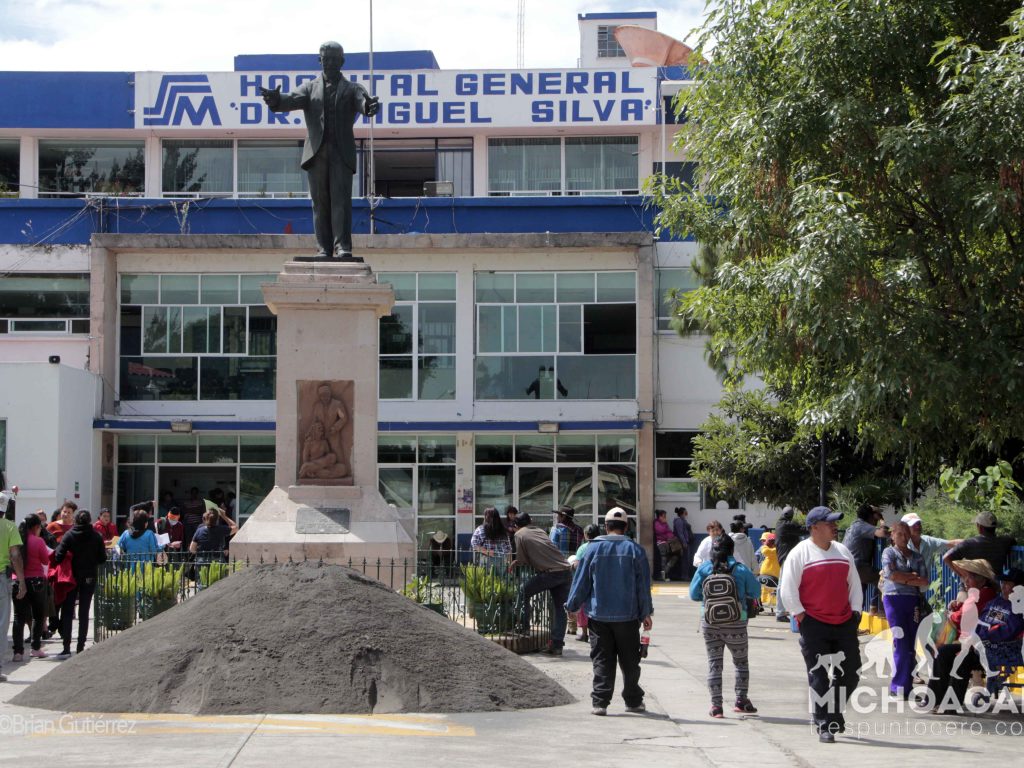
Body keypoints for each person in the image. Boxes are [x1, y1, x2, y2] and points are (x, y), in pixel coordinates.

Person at [260, 41, 381, 261]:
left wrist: (370, 107)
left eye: (335, 59)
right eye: (326, 58)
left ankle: (343, 246)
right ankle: (323, 248)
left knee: (341, 201)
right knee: (320, 202)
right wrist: (275, 99)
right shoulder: (309, 88)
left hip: (341, 153)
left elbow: (364, 102)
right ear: (320, 60)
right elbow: (289, 100)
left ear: (342, 61)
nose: (330, 63)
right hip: (316, 154)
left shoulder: (352, 88)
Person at [778, 506, 863, 743]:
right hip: (814, 623)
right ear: (814, 527)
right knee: (819, 675)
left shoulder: (843, 551)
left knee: (851, 672)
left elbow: (854, 584)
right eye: (830, 523)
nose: (835, 527)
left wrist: (855, 612)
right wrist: (801, 615)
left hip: (844, 621)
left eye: (835, 523)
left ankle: (834, 712)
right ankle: (824, 723)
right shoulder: (800, 553)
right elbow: (788, 589)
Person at [566, 507, 654, 716]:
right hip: (628, 616)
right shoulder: (636, 550)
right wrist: (646, 613)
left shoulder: (592, 549)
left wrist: (571, 606)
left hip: (598, 616)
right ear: (625, 527)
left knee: (602, 659)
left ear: (606, 527)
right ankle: (632, 701)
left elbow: (581, 582)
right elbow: (643, 586)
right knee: (630, 661)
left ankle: (600, 702)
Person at [689, 534, 761, 717]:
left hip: (710, 623)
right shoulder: (741, 569)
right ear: (732, 550)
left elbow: (694, 595)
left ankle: (716, 707)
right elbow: (755, 591)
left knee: (714, 663)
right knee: (740, 662)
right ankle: (741, 701)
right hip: (737, 623)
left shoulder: (705, 568)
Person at [925, 560, 1010, 712]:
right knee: (945, 653)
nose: (966, 581)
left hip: (992, 648)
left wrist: (975, 635)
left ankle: (948, 704)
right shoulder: (994, 600)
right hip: (980, 643)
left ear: (982, 580)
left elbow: (1000, 628)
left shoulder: (998, 601)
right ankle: (935, 700)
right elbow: (982, 619)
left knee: (958, 656)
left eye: (969, 577)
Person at [879, 520, 930, 698]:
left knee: (910, 645)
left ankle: (906, 686)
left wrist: (904, 578)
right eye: (898, 533)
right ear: (892, 535)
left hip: (913, 601)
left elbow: (924, 580)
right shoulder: (888, 552)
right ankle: (897, 687)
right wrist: (911, 578)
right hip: (893, 599)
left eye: (905, 533)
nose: (902, 537)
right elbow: (890, 575)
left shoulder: (917, 556)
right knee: (900, 641)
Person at [513, 511, 573, 655]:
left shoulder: (519, 534)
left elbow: (522, 559)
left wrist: (516, 562)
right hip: (565, 570)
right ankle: (557, 645)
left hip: (551, 573)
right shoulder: (539, 530)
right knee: (560, 609)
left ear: (516, 525)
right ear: (531, 521)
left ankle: (524, 627)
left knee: (522, 591)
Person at [53, 510, 107, 657]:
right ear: (90, 520)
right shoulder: (96, 536)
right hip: (89, 577)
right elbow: (102, 558)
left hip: (71, 577)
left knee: (68, 612)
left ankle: (66, 646)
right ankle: (80, 646)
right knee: (84, 612)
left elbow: (58, 557)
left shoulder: (69, 535)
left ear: (76, 520)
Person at [11, 514, 50, 661]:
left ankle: (18, 652)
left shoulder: (16, 541)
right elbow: (45, 560)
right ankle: (35, 648)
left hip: (17, 581)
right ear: (35, 527)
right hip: (36, 581)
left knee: (18, 617)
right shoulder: (38, 541)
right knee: (38, 616)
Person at [842, 503, 887, 613]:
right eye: (875, 516)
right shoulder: (862, 526)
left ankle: (854, 626)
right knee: (883, 578)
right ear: (871, 516)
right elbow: (883, 533)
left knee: (858, 597)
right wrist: (882, 521)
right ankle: (880, 610)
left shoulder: (854, 525)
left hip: (849, 565)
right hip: (858, 565)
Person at [943, 510, 1017, 577]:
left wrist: (961, 575)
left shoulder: (969, 543)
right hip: (995, 585)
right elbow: (1013, 540)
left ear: (980, 527)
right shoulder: (1005, 542)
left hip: (974, 585)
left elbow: (946, 557)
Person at [0, 510, 27, 681]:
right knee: (1, 624)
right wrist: (22, 581)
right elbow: (15, 555)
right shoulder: (9, 527)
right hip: (1, 579)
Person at [571, 523, 601, 642]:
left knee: (583, 608)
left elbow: (577, 565)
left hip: (584, 582)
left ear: (585, 535)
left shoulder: (583, 548)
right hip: (598, 582)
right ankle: (595, 632)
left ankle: (584, 633)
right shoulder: (602, 546)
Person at [774, 505, 803, 622]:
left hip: (785, 557)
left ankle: (783, 611)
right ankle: (780, 612)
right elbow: (802, 529)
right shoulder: (785, 525)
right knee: (783, 584)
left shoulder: (781, 524)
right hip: (786, 557)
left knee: (787, 583)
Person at [653, 508, 681, 582]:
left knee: (676, 555)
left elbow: (669, 532)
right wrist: (665, 524)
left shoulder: (663, 523)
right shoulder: (657, 523)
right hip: (662, 543)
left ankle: (665, 571)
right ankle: (663, 574)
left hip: (669, 542)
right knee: (664, 558)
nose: (665, 518)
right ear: (660, 517)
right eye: (664, 516)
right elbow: (661, 531)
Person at [757, 533, 780, 612]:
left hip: (772, 576)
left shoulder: (773, 550)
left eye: (765, 541)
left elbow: (765, 550)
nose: (763, 543)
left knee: (770, 590)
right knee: (764, 590)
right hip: (767, 575)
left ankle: (762, 604)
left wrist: (766, 545)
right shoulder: (774, 550)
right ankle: (761, 603)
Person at [672, 507, 695, 580]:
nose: (687, 513)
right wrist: (684, 542)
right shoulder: (679, 521)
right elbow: (680, 533)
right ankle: (684, 576)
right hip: (682, 544)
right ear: (683, 513)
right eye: (685, 512)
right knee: (684, 560)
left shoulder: (683, 520)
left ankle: (685, 575)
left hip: (685, 542)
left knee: (686, 560)